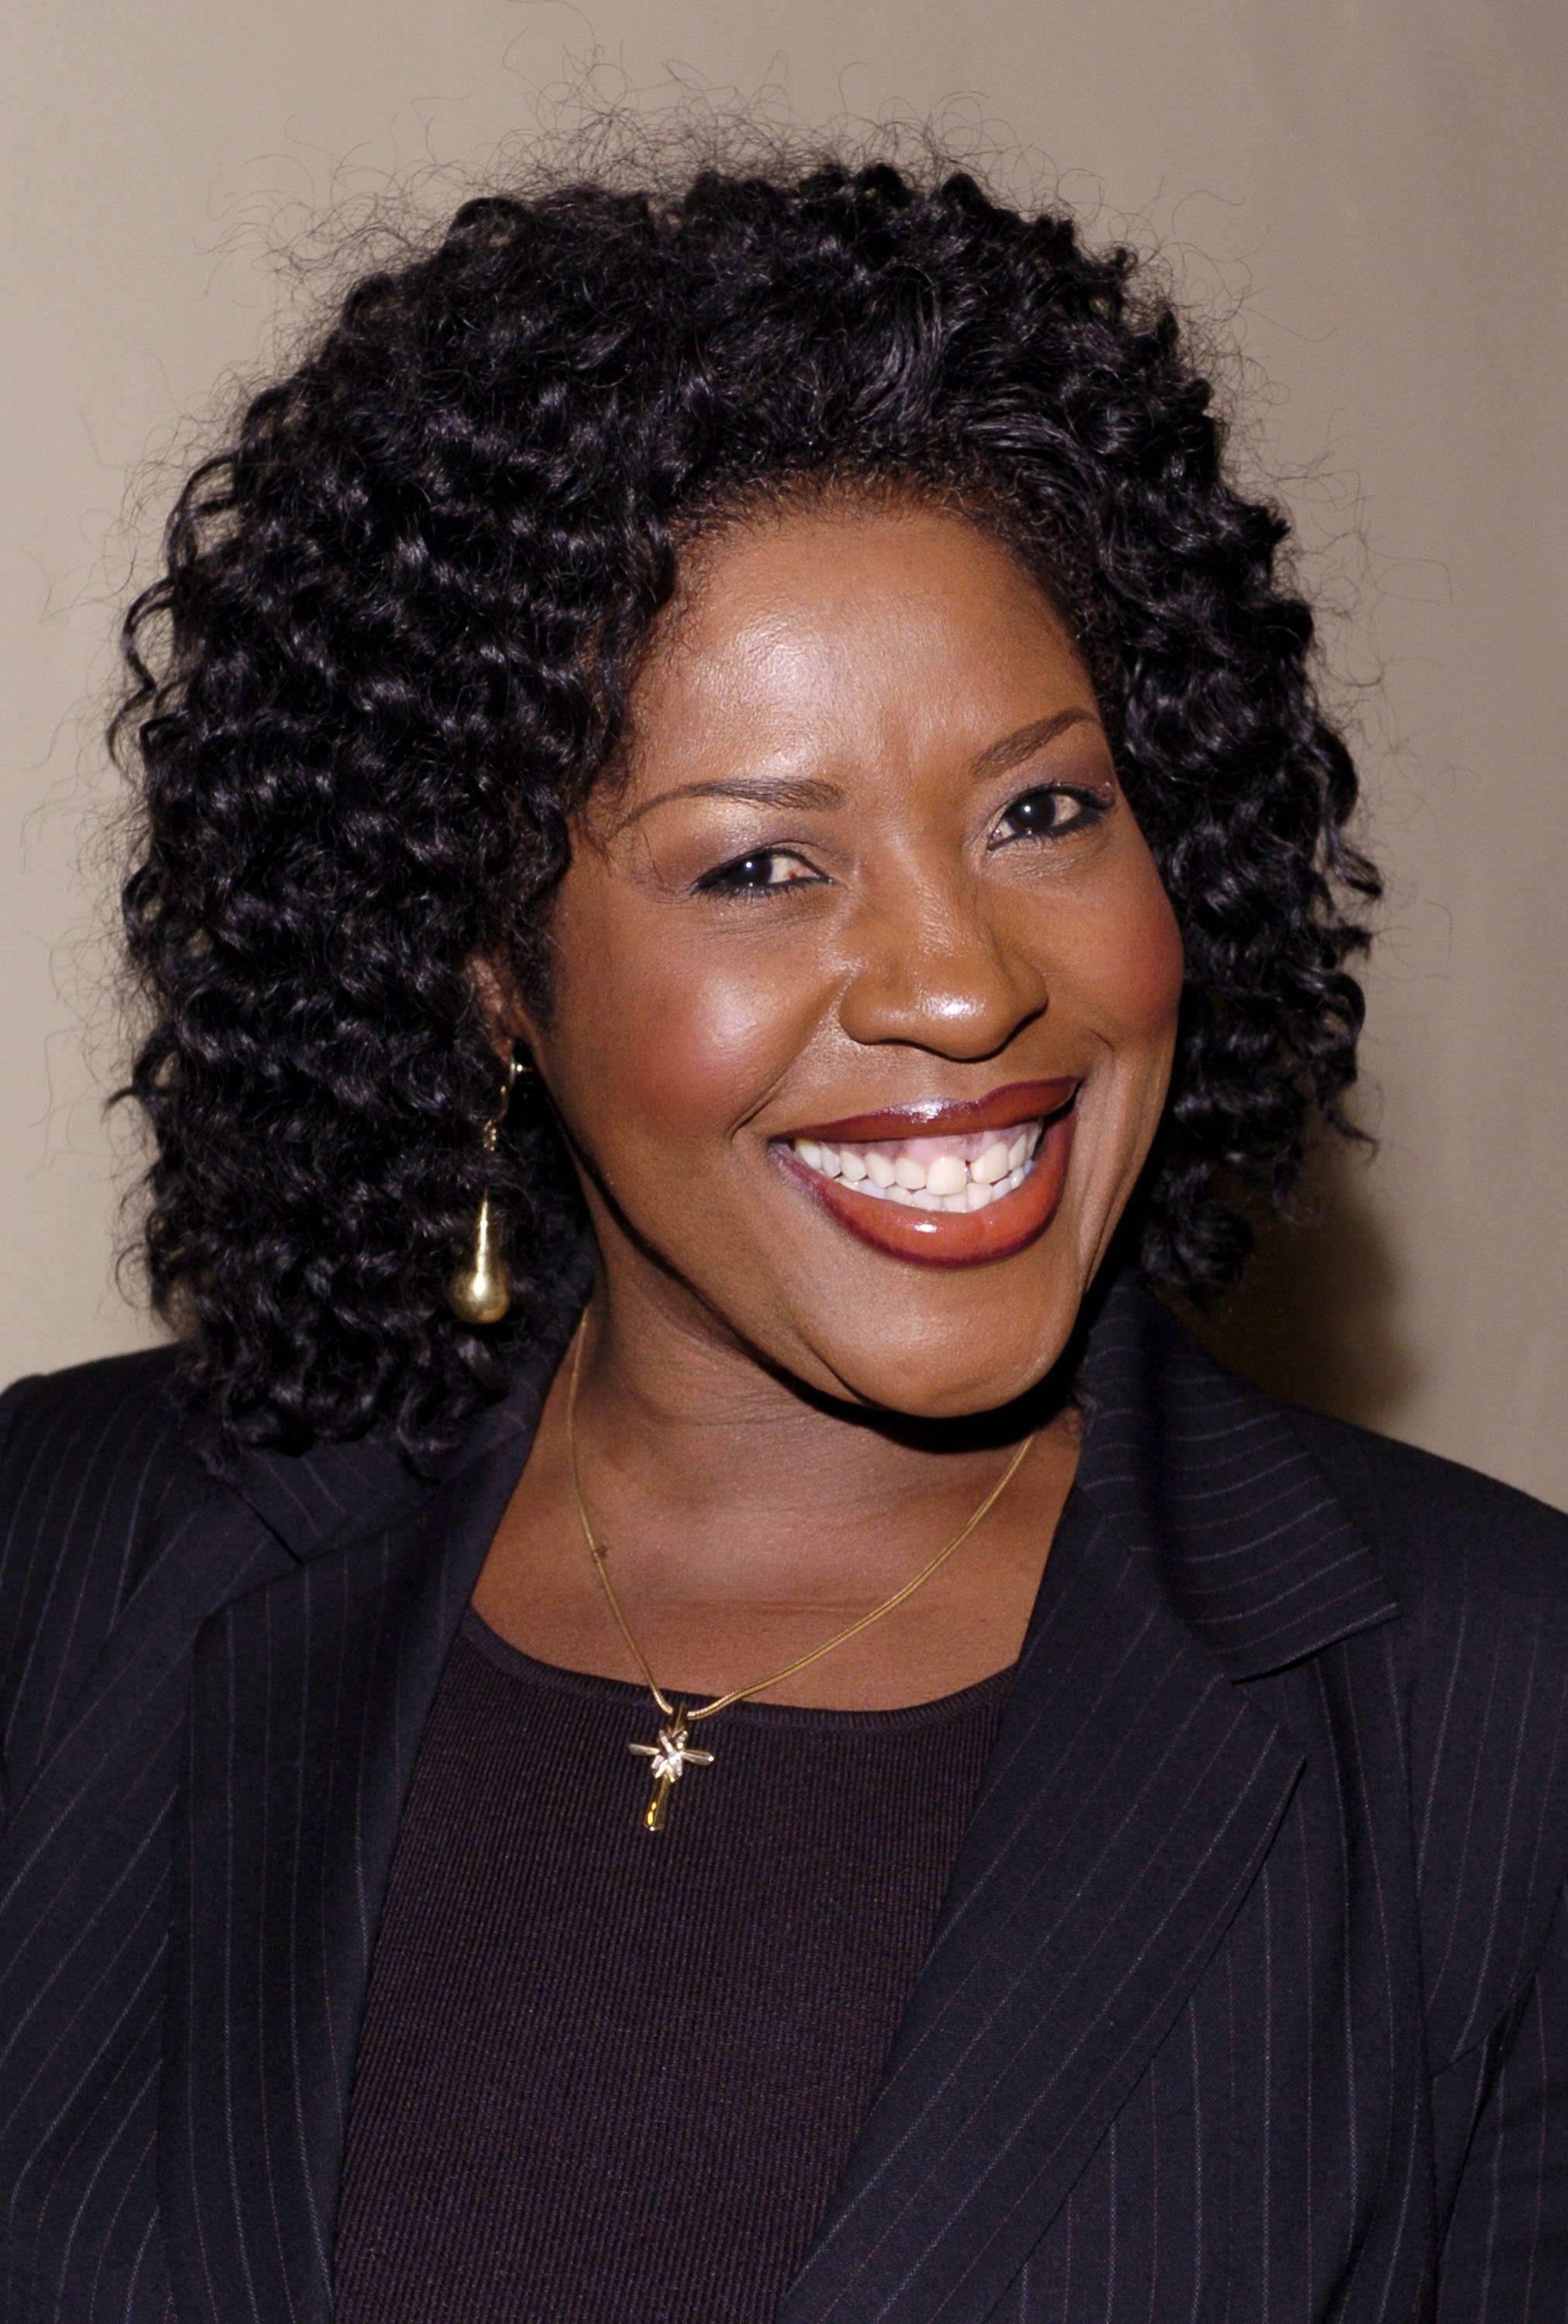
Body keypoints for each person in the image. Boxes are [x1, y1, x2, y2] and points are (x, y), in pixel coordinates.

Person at [2, 148, 1565, 2324]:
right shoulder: (62, 1561)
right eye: (755, 867)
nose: (961, 981)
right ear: (486, 969)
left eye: (1043, 811)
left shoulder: (1494, 1714)